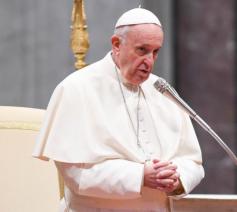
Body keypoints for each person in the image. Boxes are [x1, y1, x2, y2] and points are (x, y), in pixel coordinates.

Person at [33, 7, 204, 212]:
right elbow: (76, 175)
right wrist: (140, 176)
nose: (149, 61)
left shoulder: (162, 90)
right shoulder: (76, 88)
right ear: (116, 44)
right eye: (142, 49)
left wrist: (177, 179)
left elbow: (193, 161)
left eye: (155, 52)